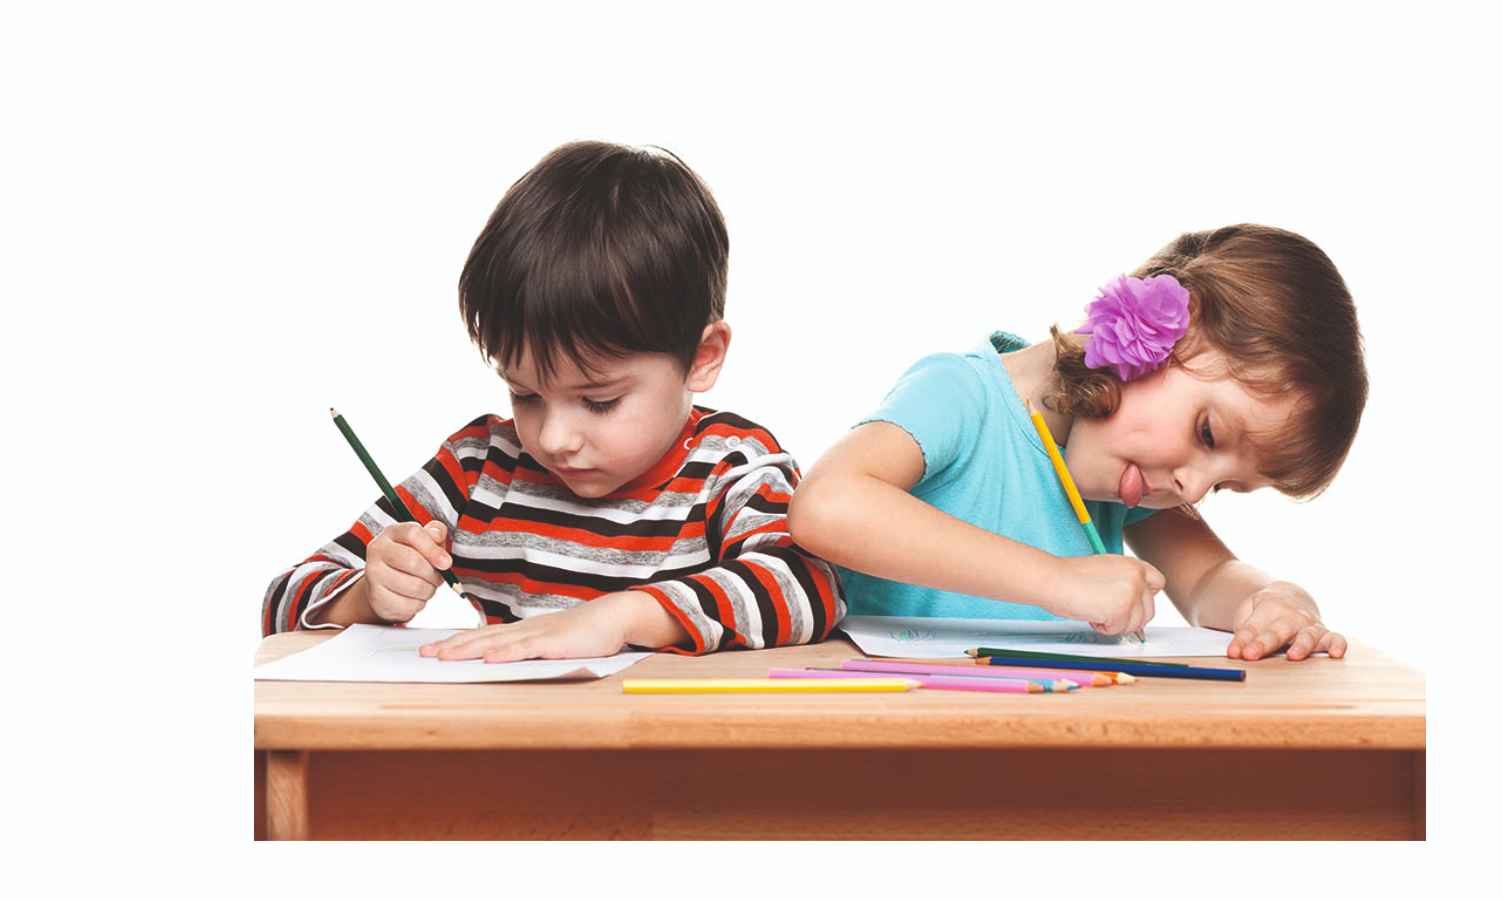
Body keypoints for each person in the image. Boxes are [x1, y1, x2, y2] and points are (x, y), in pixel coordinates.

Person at [263, 141, 845, 660]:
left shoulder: (730, 466)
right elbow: (282, 602)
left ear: (702, 357)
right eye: (525, 394)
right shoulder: (476, 470)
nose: (552, 438)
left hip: (675, 748)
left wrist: (621, 618)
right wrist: (368, 594)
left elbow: (810, 588)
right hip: (514, 743)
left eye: (599, 401)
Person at [789, 225, 1364, 661]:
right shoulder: (963, 395)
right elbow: (826, 506)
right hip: (890, 738)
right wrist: (1056, 580)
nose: (1192, 487)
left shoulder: (1131, 484)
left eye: (1223, 486)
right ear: (1159, 327)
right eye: (1207, 433)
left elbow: (1210, 579)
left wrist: (1272, 600)